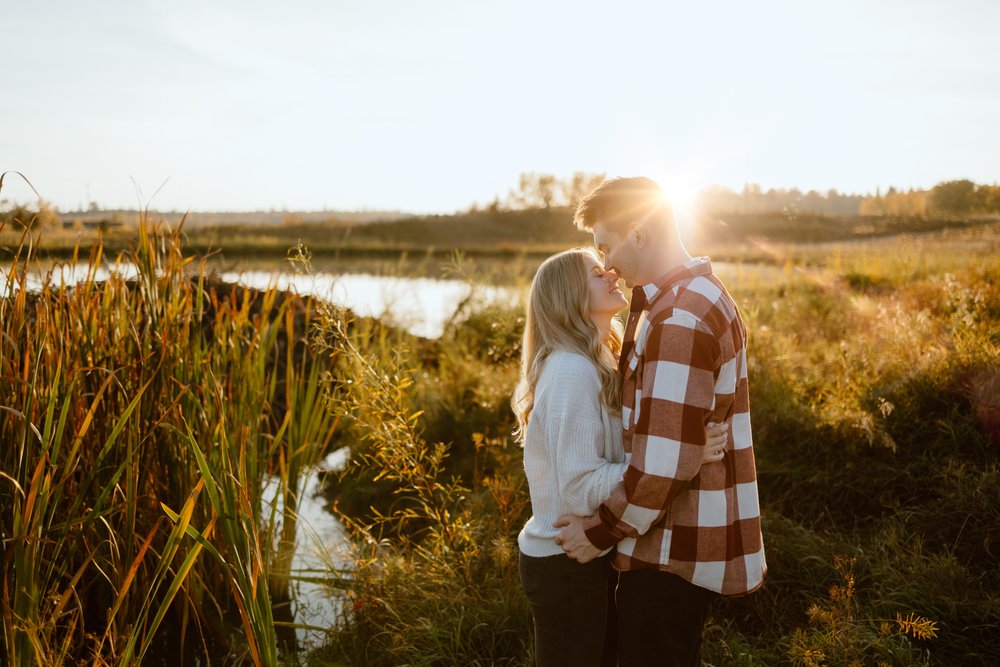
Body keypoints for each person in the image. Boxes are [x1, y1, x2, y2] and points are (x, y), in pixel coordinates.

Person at [554, 177, 767, 667]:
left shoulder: (679, 317)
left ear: (640, 233)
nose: (605, 264)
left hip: (670, 551)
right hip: (672, 542)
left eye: (606, 245)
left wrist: (599, 531)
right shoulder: (688, 296)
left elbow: (665, 464)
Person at [512, 247, 729, 667]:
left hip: (585, 554)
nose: (611, 274)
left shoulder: (599, 359)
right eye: (597, 273)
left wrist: (680, 447)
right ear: (569, 295)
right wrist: (682, 455)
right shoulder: (570, 371)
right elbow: (577, 488)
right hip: (564, 559)